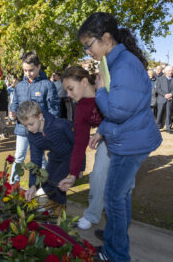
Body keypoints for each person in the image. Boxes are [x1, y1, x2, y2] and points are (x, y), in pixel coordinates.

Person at [66, 12, 162, 262]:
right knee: (121, 195)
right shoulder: (115, 62)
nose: (88, 51)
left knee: (114, 197)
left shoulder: (124, 65)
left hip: (130, 143)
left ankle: (116, 253)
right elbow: (122, 110)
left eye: (89, 45)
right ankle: (114, 235)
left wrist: (99, 92)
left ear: (106, 37)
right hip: (128, 137)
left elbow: (117, 111)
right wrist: (103, 131)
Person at [58, 66, 110, 230]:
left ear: (85, 81)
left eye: (71, 88)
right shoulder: (80, 108)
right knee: (97, 177)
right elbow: (79, 143)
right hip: (106, 142)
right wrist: (73, 174)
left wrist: (102, 131)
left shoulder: (106, 88)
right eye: (66, 90)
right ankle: (92, 215)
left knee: (123, 187)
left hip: (128, 140)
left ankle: (116, 225)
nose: (69, 94)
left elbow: (121, 114)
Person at [9, 51, 59, 183]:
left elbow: (53, 110)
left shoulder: (48, 85)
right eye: (25, 70)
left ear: (39, 66)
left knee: (41, 159)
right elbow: (14, 104)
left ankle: (45, 185)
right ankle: (12, 185)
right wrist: (12, 114)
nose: (27, 73)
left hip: (39, 130)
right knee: (19, 157)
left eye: (31, 70)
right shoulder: (19, 86)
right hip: (21, 129)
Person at [18, 101, 75, 215]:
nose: (29, 128)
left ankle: (61, 205)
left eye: (31, 124)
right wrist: (33, 185)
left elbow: (78, 145)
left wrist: (79, 168)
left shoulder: (61, 125)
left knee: (56, 181)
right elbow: (35, 160)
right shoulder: (32, 136)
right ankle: (53, 201)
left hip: (70, 156)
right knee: (45, 181)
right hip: (54, 157)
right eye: (25, 125)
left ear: (40, 116)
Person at [155, 65, 173, 134]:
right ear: (165, 71)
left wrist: (171, 94)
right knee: (159, 113)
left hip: (170, 99)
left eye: (171, 70)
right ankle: (157, 127)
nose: (170, 72)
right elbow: (157, 89)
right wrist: (165, 95)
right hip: (161, 99)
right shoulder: (160, 79)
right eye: (169, 70)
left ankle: (168, 128)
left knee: (169, 114)